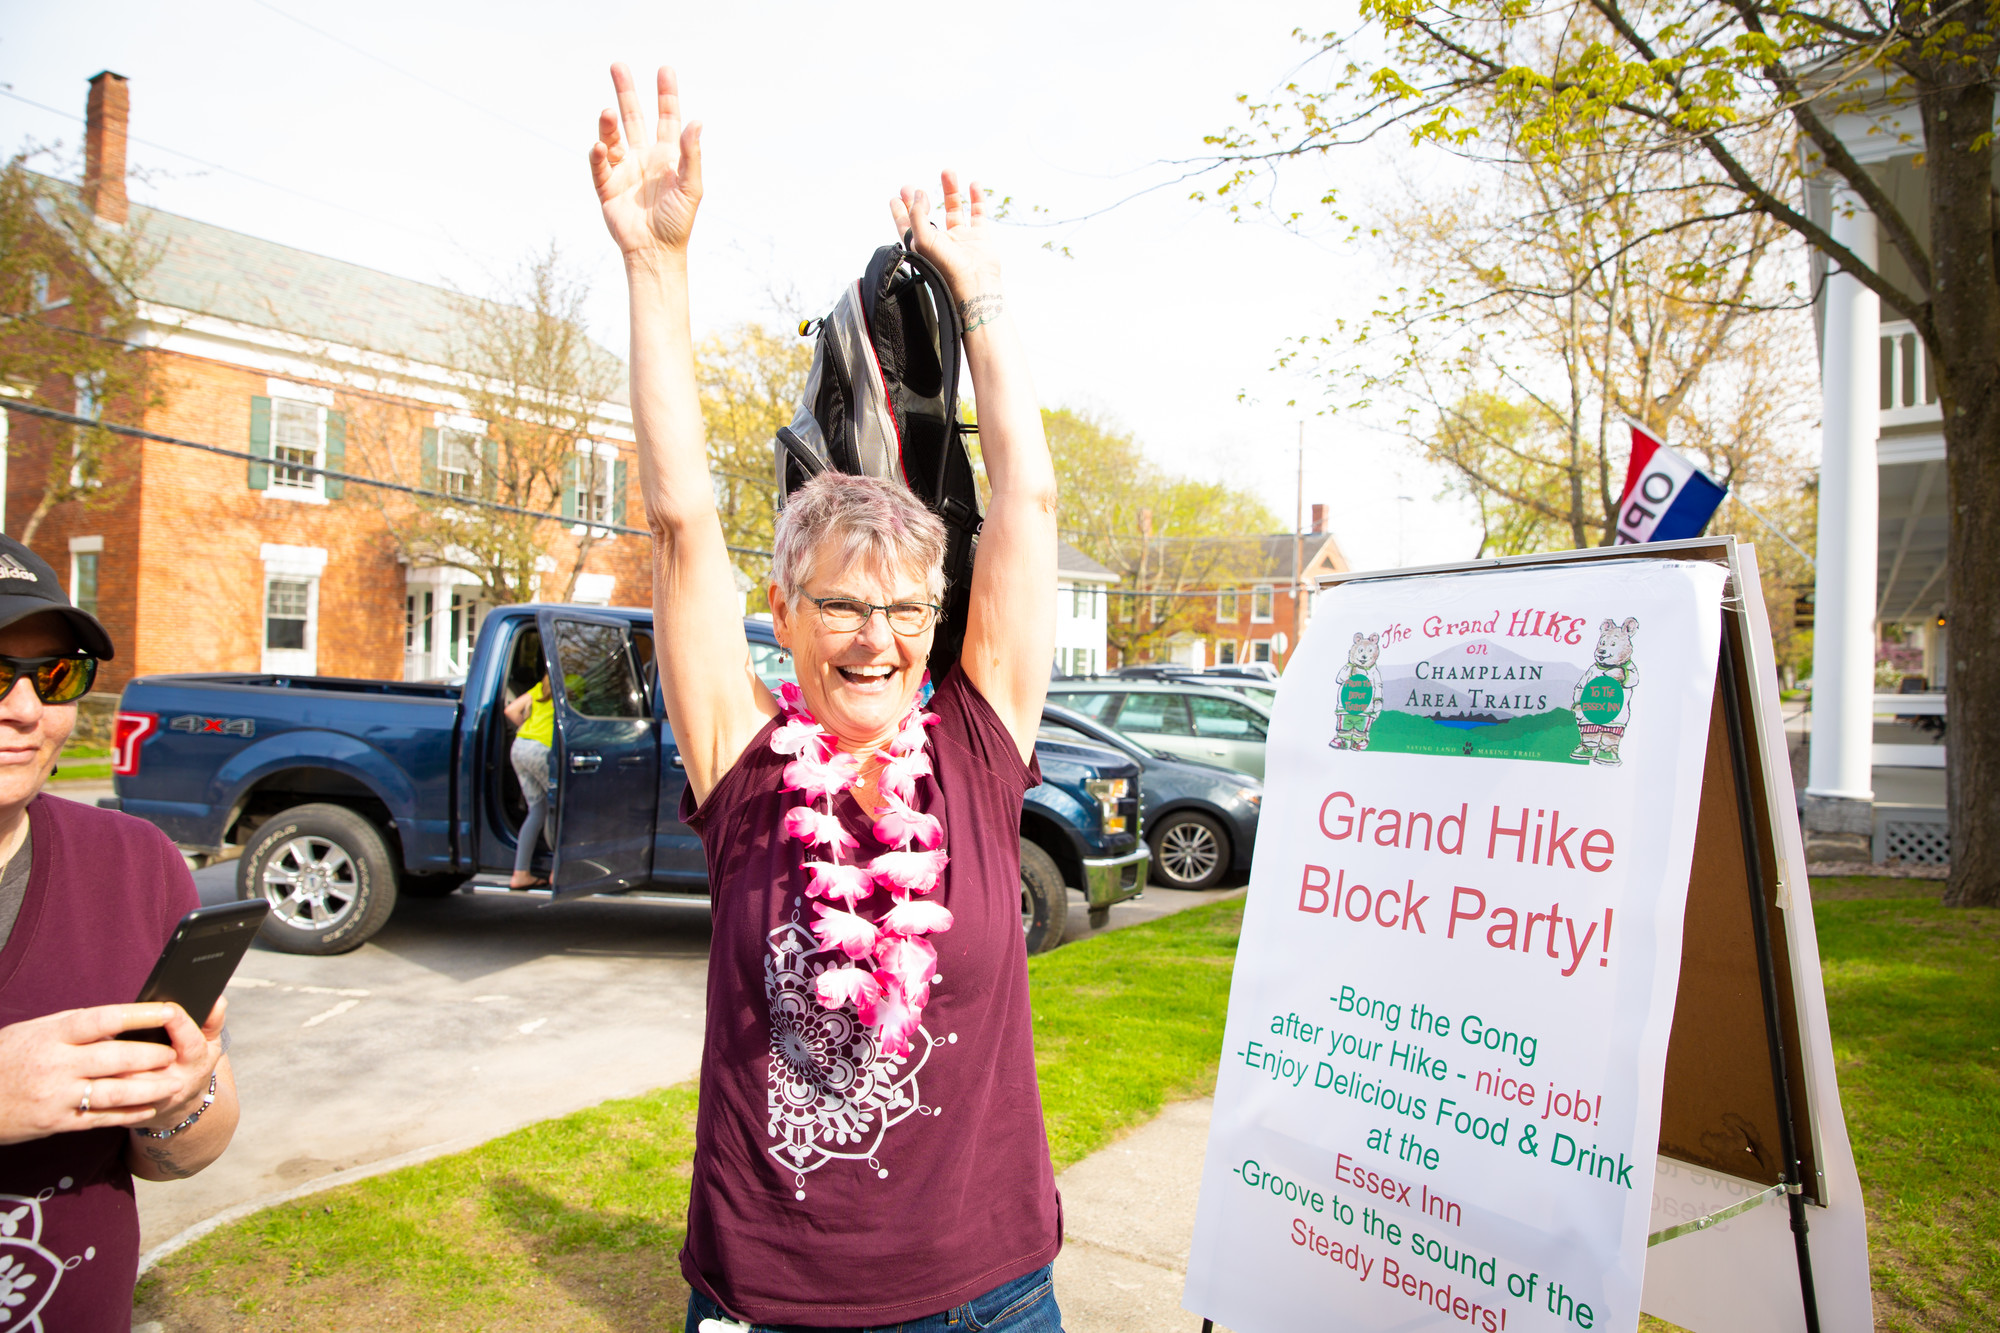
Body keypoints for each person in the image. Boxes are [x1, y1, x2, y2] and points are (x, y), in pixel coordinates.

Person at [591, 62, 1064, 1332]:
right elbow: (681, 523)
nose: (878, 638)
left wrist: (983, 304)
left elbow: (1023, 504)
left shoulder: (975, 741)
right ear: (786, 615)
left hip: (991, 1296)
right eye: (842, 605)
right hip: (772, 1301)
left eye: (907, 608)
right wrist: (655, 265)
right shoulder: (743, 764)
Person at [0, 534, 238, 1331]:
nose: (26, 709)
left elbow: (186, 1148)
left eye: (55, 673)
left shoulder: (135, 861)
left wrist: (178, 1098)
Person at [503, 675, 556, 888]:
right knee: (557, 808)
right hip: (542, 750)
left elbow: (510, 711)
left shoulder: (542, 686)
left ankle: (520, 873)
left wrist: (528, 727)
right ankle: (558, 870)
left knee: (538, 809)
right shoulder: (574, 683)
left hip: (520, 745)